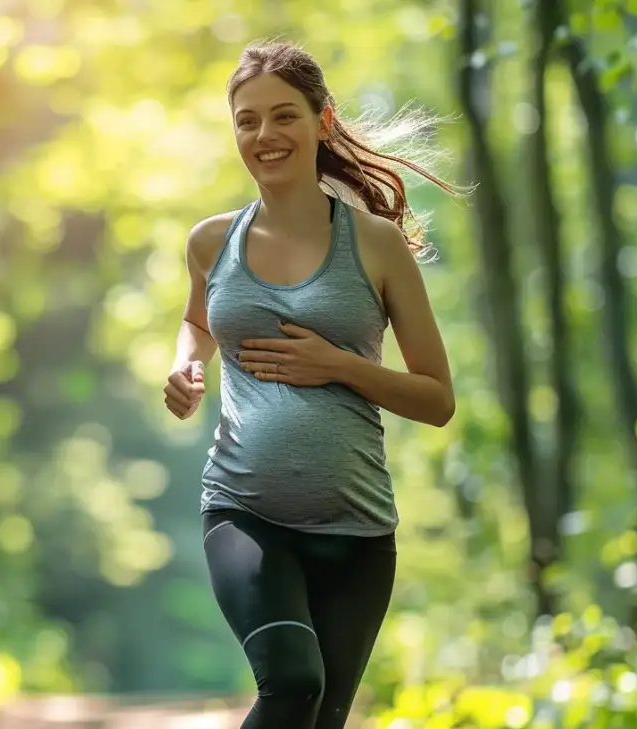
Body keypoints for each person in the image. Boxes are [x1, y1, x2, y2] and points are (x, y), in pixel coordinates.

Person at [162, 40, 459, 729]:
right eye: (247, 120)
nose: (264, 134)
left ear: (322, 121)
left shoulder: (376, 244)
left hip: (358, 533)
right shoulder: (211, 242)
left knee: (320, 719)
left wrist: (340, 365)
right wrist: (185, 365)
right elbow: (197, 321)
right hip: (245, 511)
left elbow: (438, 399)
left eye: (283, 115)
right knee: (293, 683)